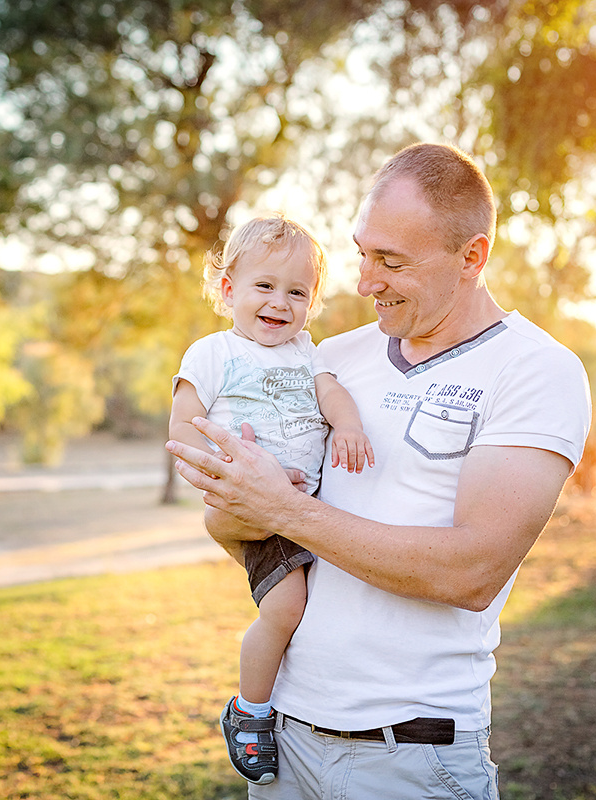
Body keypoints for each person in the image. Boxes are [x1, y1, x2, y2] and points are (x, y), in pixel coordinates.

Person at [166, 142, 591, 799]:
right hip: (287, 744)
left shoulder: (535, 371)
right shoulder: (329, 356)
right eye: (363, 252)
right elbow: (240, 522)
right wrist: (235, 506)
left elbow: (472, 570)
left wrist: (284, 509)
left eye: (390, 262)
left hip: (408, 757)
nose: (364, 282)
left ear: (471, 257)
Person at [169, 215, 375, 785]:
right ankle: (250, 712)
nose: (279, 303)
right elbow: (184, 430)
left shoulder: (309, 353)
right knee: (284, 609)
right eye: (264, 286)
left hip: (303, 508)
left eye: (297, 292)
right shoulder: (214, 353)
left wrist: (350, 425)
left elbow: (331, 392)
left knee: (316, 603)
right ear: (228, 288)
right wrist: (232, 474)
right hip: (254, 507)